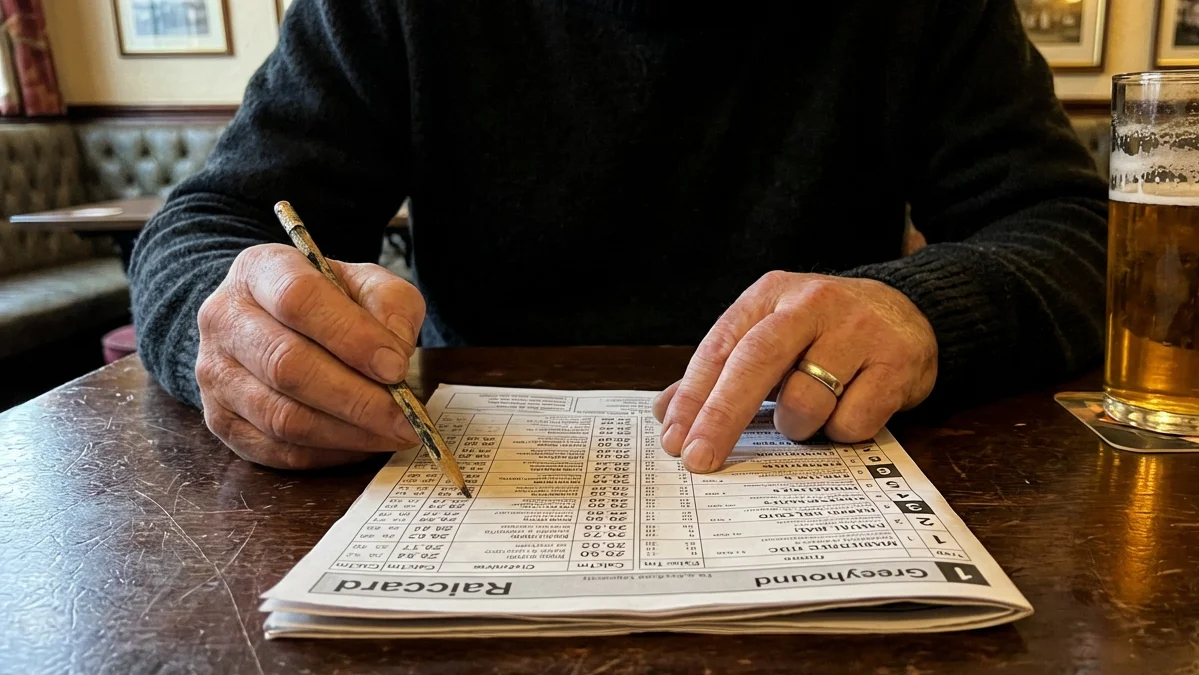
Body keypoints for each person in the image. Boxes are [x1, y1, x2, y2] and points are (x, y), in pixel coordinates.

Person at [130, 0, 1107, 474]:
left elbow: (1077, 232)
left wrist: (921, 310)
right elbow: (209, 228)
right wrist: (239, 325)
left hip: (820, 481)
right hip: (449, 492)